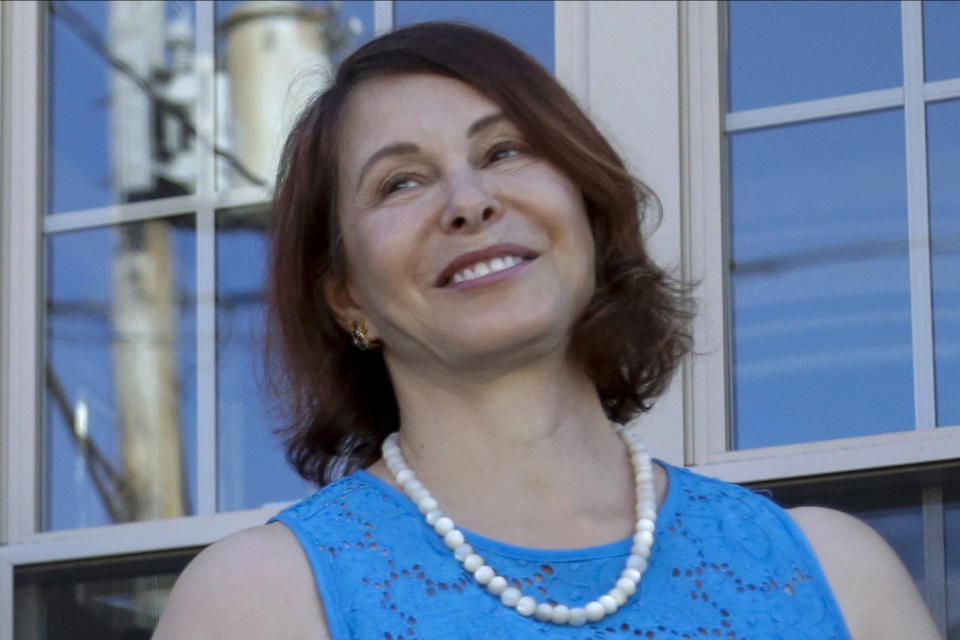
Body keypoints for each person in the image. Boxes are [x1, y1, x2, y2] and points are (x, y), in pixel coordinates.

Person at [153, 22, 940, 640]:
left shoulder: (836, 576)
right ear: (346, 297)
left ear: (589, 216)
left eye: (506, 150)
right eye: (401, 181)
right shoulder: (259, 601)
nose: (469, 200)